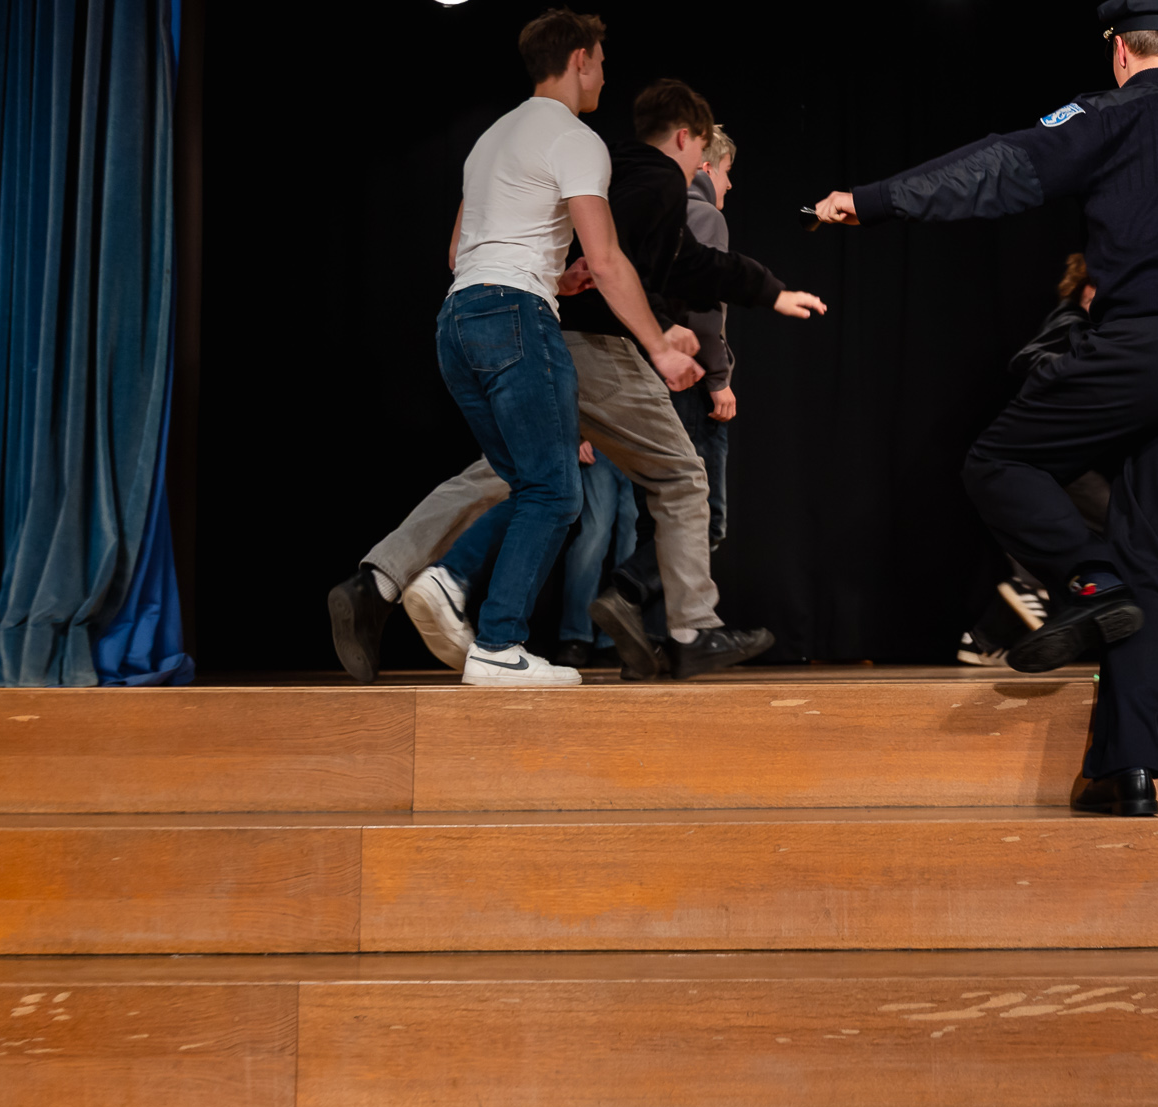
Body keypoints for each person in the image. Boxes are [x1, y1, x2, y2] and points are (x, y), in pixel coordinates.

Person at [815, 0, 1158, 816]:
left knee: (1000, 460)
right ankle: (1127, 770)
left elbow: (1003, 167)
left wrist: (878, 199)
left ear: (1120, 51)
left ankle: (1088, 584)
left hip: (1152, 343)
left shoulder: (1113, 111)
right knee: (1150, 557)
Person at [326, 75, 824, 683]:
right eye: (703, 151)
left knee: (507, 474)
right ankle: (689, 628)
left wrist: (765, 292)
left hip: (526, 325)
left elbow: (655, 259)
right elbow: (619, 262)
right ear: (685, 138)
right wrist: (662, 336)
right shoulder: (658, 178)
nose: (703, 166)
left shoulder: (600, 164)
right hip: (592, 344)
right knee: (680, 475)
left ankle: (382, 578)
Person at [413, 8, 675, 686]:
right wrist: (658, 345)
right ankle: (497, 643)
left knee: (529, 484)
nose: (604, 77)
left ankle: (451, 579)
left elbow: (458, 252)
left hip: (457, 320)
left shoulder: (489, 140)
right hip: (516, 318)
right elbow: (607, 258)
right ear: (580, 59)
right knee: (557, 493)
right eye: (601, 64)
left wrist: (553, 275)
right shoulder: (574, 137)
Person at [956, 255, 1112, 668]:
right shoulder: (1071, 320)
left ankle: (983, 639)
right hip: (1053, 447)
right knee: (1115, 520)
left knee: (1080, 523)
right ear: (1081, 289)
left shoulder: (1098, 325)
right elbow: (1029, 357)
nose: (1099, 297)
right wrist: (1076, 370)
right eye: (1093, 288)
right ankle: (1032, 587)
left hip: (1065, 449)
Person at [668, 126, 739, 552]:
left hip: (658, 374)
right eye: (728, 172)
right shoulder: (706, 215)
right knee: (704, 519)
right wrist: (718, 378)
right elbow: (704, 305)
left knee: (663, 511)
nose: (729, 184)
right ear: (707, 167)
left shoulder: (659, 212)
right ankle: (630, 584)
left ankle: (643, 592)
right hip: (693, 380)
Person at [552, 440, 638, 670]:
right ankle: (575, 636)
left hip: (641, 446)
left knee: (632, 543)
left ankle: (616, 638)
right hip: (602, 443)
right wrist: (578, 436)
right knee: (594, 537)